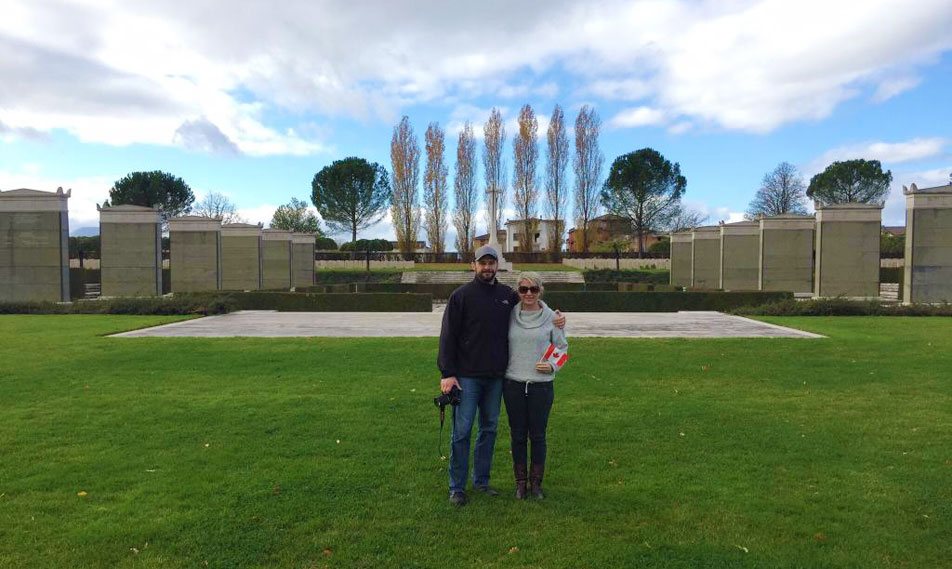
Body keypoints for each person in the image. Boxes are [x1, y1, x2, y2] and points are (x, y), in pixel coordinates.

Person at [437, 246, 565, 506]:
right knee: (461, 432)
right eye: (482, 263)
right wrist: (447, 373)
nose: (487, 268)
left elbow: (534, 301)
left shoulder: (507, 296)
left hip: (496, 378)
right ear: (474, 266)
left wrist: (556, 317)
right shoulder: (460, 296)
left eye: (491, 263)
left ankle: (481, 481)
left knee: (489, 429)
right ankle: (457, 487)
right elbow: (447, 336)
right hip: (467, 377)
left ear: (497, 266)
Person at [503, 272, 567, 500]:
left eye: (533, 289)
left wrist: (552, 366)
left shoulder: (552, 317)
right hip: (513, 384)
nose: (528, 293)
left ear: (540, 291)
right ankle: (520, 483)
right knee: (518, 435)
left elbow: (562, 347)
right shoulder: (509, 315)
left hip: (541, 386)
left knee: (538, 435)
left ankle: (536, 483)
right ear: (518, 292)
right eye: (523, 289)